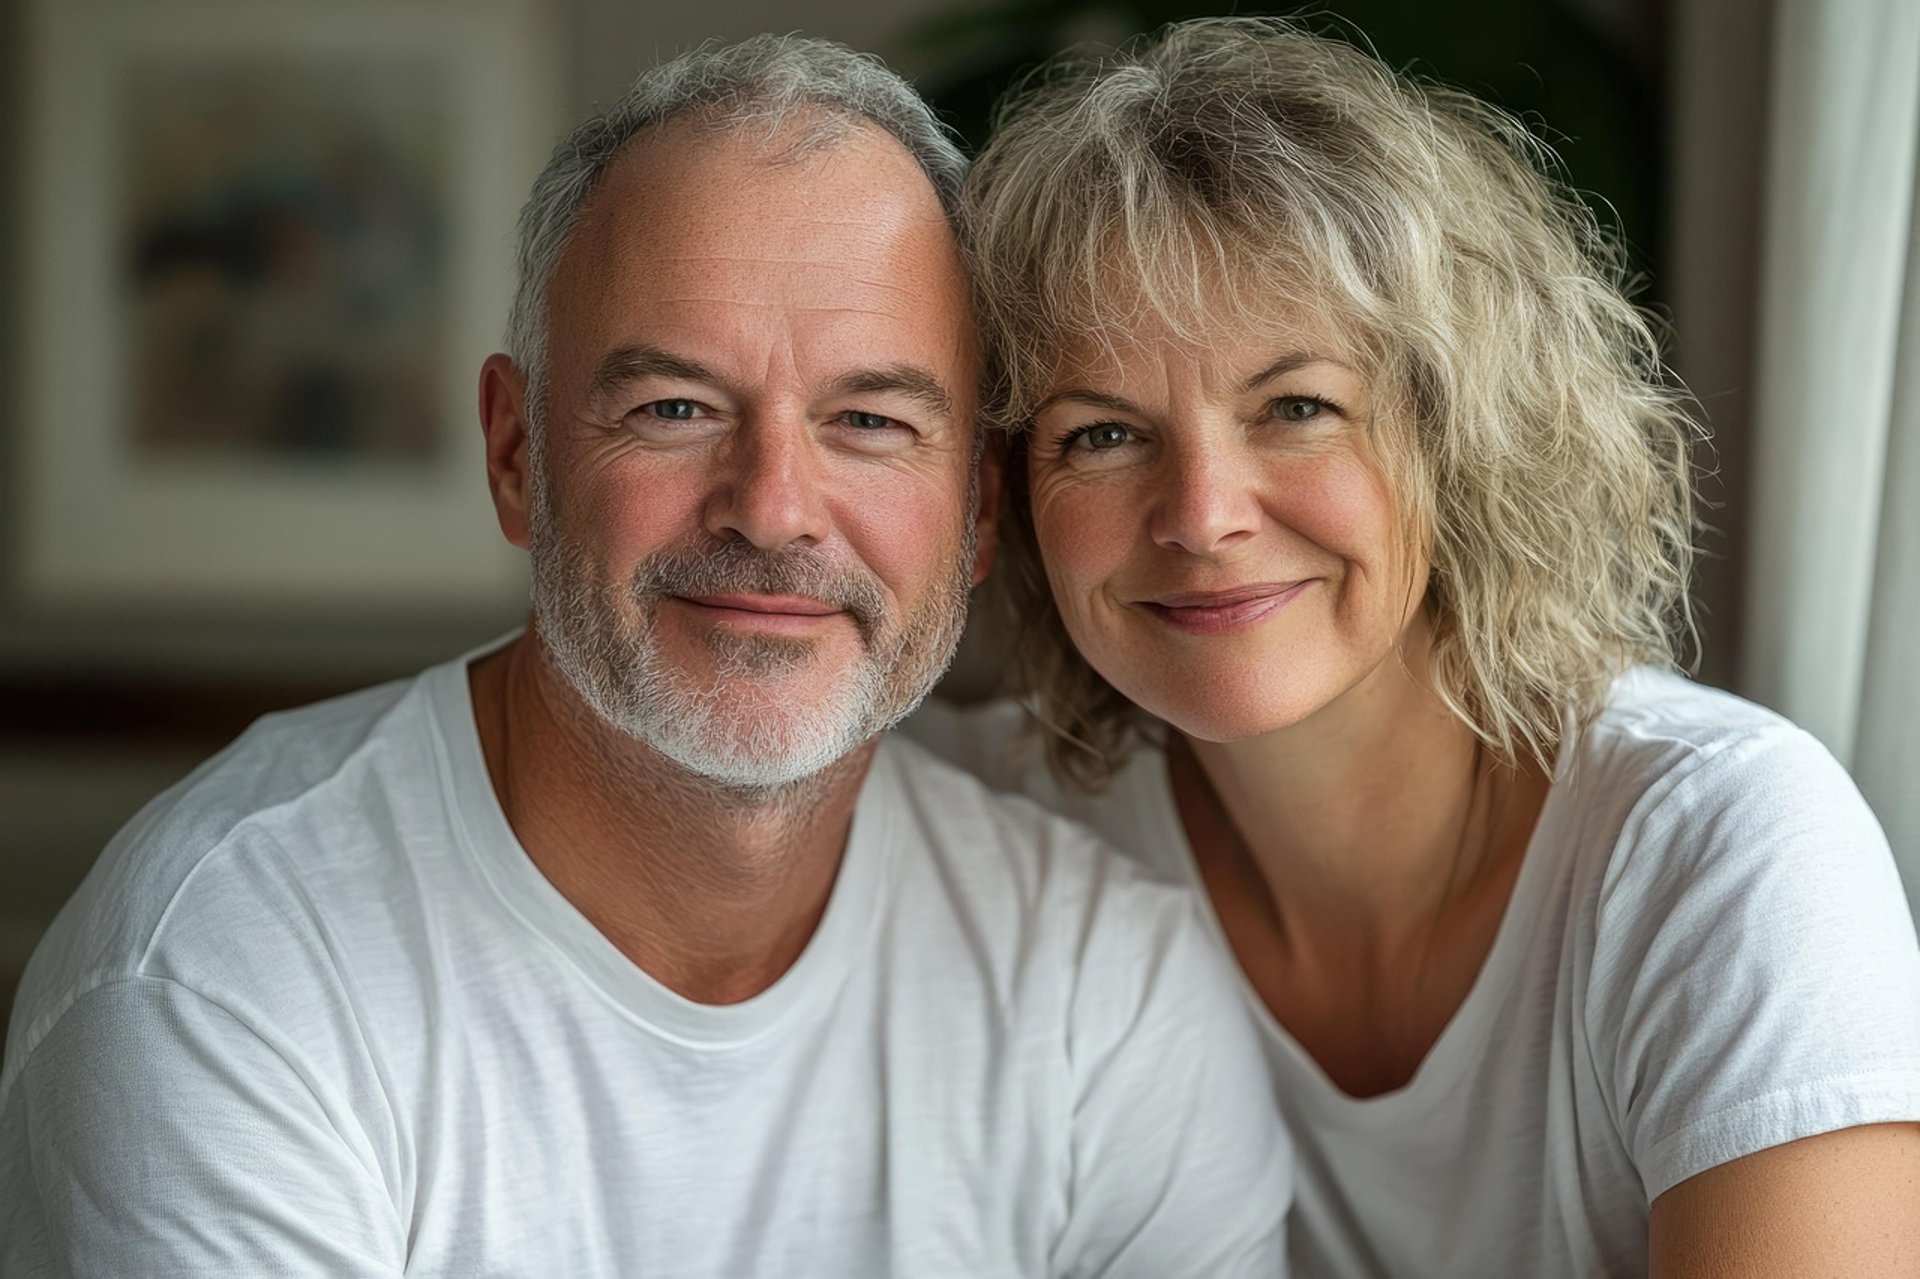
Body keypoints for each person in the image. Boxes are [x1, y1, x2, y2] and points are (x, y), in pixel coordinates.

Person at [0, 37, 1289, 1276]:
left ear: (982, 515)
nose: (772, 505)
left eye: (871, 419)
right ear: (518, 456)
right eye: (674, 407)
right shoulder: (225, 972)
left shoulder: (1100, 989)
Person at [910, 16, 1920, 1276]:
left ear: (1456, 440)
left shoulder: (1721, 854)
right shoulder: (991, 830)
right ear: (1005, 494)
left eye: (1297, 408)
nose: (1204, 514)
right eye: (1102, 434)